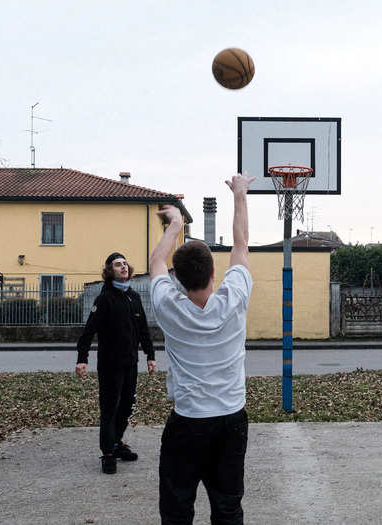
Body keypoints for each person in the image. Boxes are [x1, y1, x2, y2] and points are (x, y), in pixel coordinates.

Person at [150, 172, 254, 524]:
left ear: (177, 279)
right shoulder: (234, 299)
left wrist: (175, 224)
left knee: (177, 509)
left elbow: (155, 263)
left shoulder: (168, 306)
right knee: (227, 507)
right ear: (214, 273)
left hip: (188, 424)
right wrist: (240, 194)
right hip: (230, 421)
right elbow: (241, 244)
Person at [75, 252, 157, 475]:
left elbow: (143, 331)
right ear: (110, 271)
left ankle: (116, 442)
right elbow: (88, 331)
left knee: (127, 405)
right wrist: (82, 359)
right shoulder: (104, 299)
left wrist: (150, 355)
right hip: (110, 365)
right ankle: (108, 453)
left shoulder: (134, 297)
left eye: (124, 264)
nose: (123, 267)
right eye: (117, 265)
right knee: (109, 408)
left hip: (131, 363)